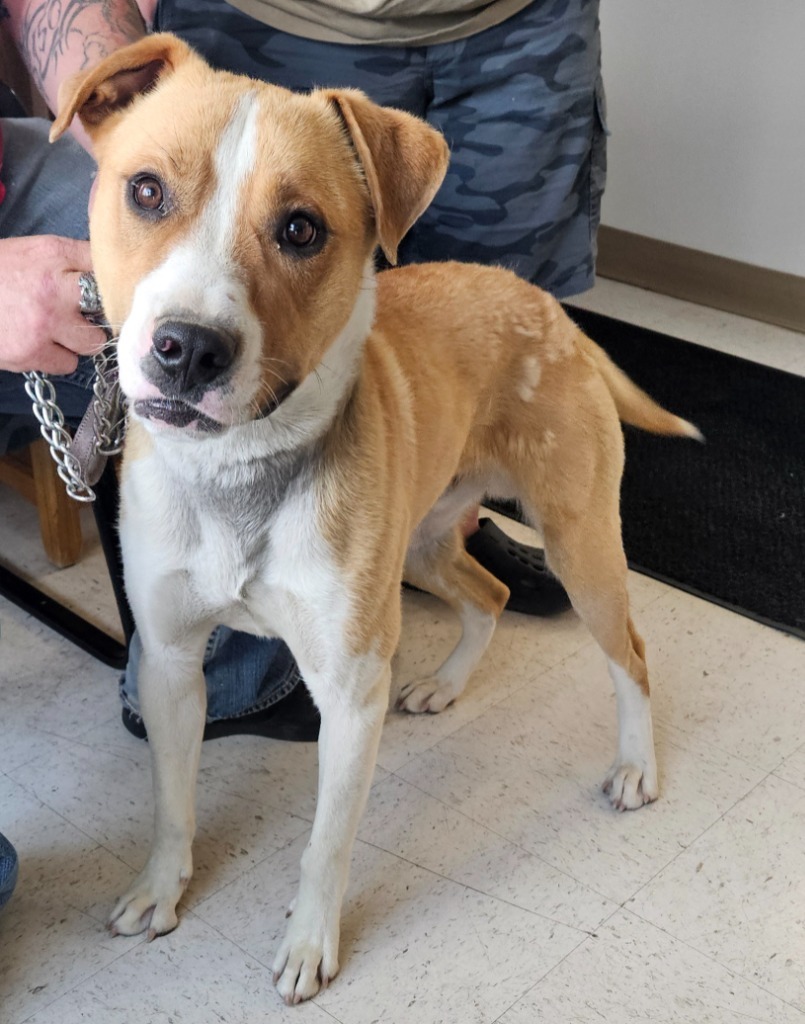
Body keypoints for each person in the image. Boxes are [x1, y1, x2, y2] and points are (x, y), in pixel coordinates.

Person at [1, 0, 601, 744]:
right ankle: (219, 656)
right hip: (287, 18)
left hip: (514, 22)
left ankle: (433, 507)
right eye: (152, 195)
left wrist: (141, 129)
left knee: (449, 327)